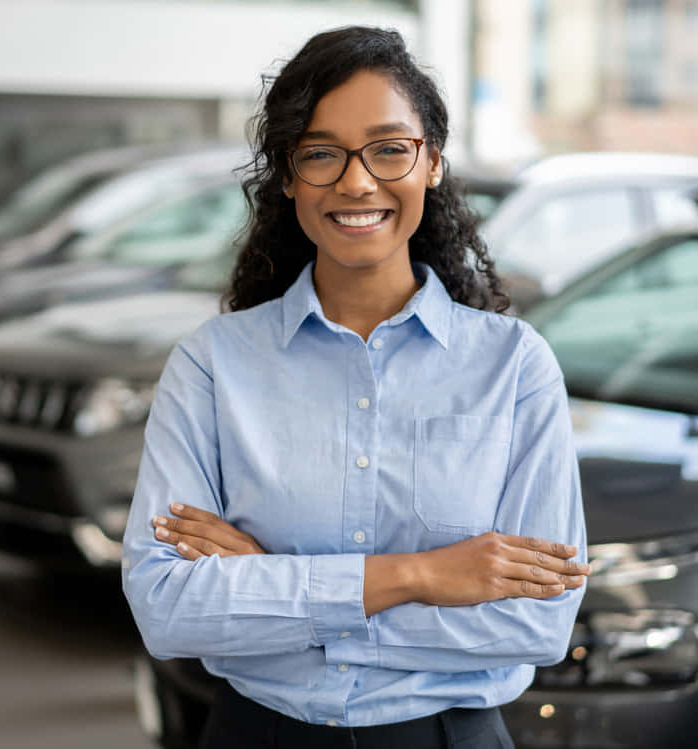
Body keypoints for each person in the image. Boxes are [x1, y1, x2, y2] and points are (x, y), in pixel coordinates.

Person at [122, 26, 589, 749]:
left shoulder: (514, 366)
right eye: (320, 153)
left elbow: (535, 621)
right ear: (287, 174)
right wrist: (421, 575)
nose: (356, 181)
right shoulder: (213, 366)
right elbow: (166, 607)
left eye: (388, 148)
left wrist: (274, 587)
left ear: (431, 161)